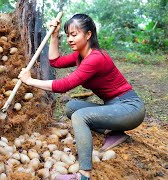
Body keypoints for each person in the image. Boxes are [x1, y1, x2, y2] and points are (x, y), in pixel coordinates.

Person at [18, 14, 145, 180]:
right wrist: (55, 35)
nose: (70, 39)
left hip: (130, 108)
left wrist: (30, 81)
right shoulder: (80, 56)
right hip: (114, 107)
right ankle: (114, 132)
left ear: (88, 34)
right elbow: (55, 61)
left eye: (74, 34)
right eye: (68, 35)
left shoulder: (96, 58)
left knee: (79, 116)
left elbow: (64, 86)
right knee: (72, 107)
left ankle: (84, 175)